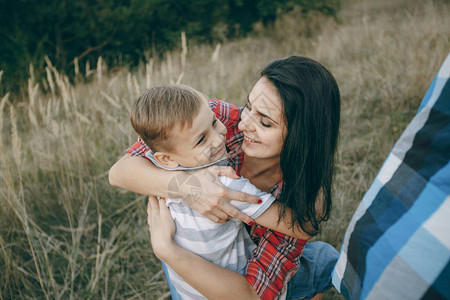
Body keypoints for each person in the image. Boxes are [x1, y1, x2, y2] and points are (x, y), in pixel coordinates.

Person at [109, 56, 341, 299]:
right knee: (324, 260)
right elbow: (119, 172)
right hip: (193, 278)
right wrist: (189, 187)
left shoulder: (298, 194)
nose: (243, 125)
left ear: (302, 135)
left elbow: (251, 294)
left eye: (264, 122)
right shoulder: (209, 121)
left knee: (319, 260)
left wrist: (167, 250)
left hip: (195, 280)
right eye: (249, 106)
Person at [129, 84, 309, 299]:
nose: (219, 136)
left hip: (188, 290)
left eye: (214, 122)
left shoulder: (159, 165)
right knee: (322, 260)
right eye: (202, 139)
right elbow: (297, 227)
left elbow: (126, 168)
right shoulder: (224, 183)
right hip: (232, 288)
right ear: (166, 159)